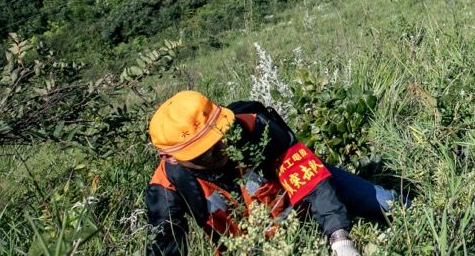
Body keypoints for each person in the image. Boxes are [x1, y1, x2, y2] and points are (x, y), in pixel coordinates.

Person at [144, 90, 397, 256]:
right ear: (171, 158)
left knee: (392, 205)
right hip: (252, 246)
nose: (219, 150)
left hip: (303, 200)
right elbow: (165, 242)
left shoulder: (256, 128)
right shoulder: (166, 185)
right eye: (203, 151)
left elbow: (311, 181)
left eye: (220, 138)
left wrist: (340, 239)